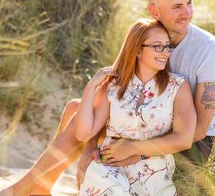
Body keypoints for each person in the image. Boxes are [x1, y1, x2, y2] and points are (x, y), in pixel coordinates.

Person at [0, 0, 215, 196]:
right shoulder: (148, 36)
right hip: (148, 121)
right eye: (177, 6)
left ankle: (24, 191)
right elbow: (113, 89)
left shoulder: (209, 50)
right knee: (74, 109)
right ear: (155, 11)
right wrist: (88, 147)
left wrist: (138, 151)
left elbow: (198, 130)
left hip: (190, 144)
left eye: (189, 3)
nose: (187, 13)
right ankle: (40, 186)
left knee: (83, 118)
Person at [75, 18, 196, 195]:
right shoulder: (114, 84)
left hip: (153, 171)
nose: (165, 52)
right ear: (138, 50)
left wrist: (132, 149)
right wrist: (90, 88)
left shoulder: (177, 86)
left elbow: (184, 139)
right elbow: (83, 133)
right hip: (109, 166)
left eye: (167, 45)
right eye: (157, 46)